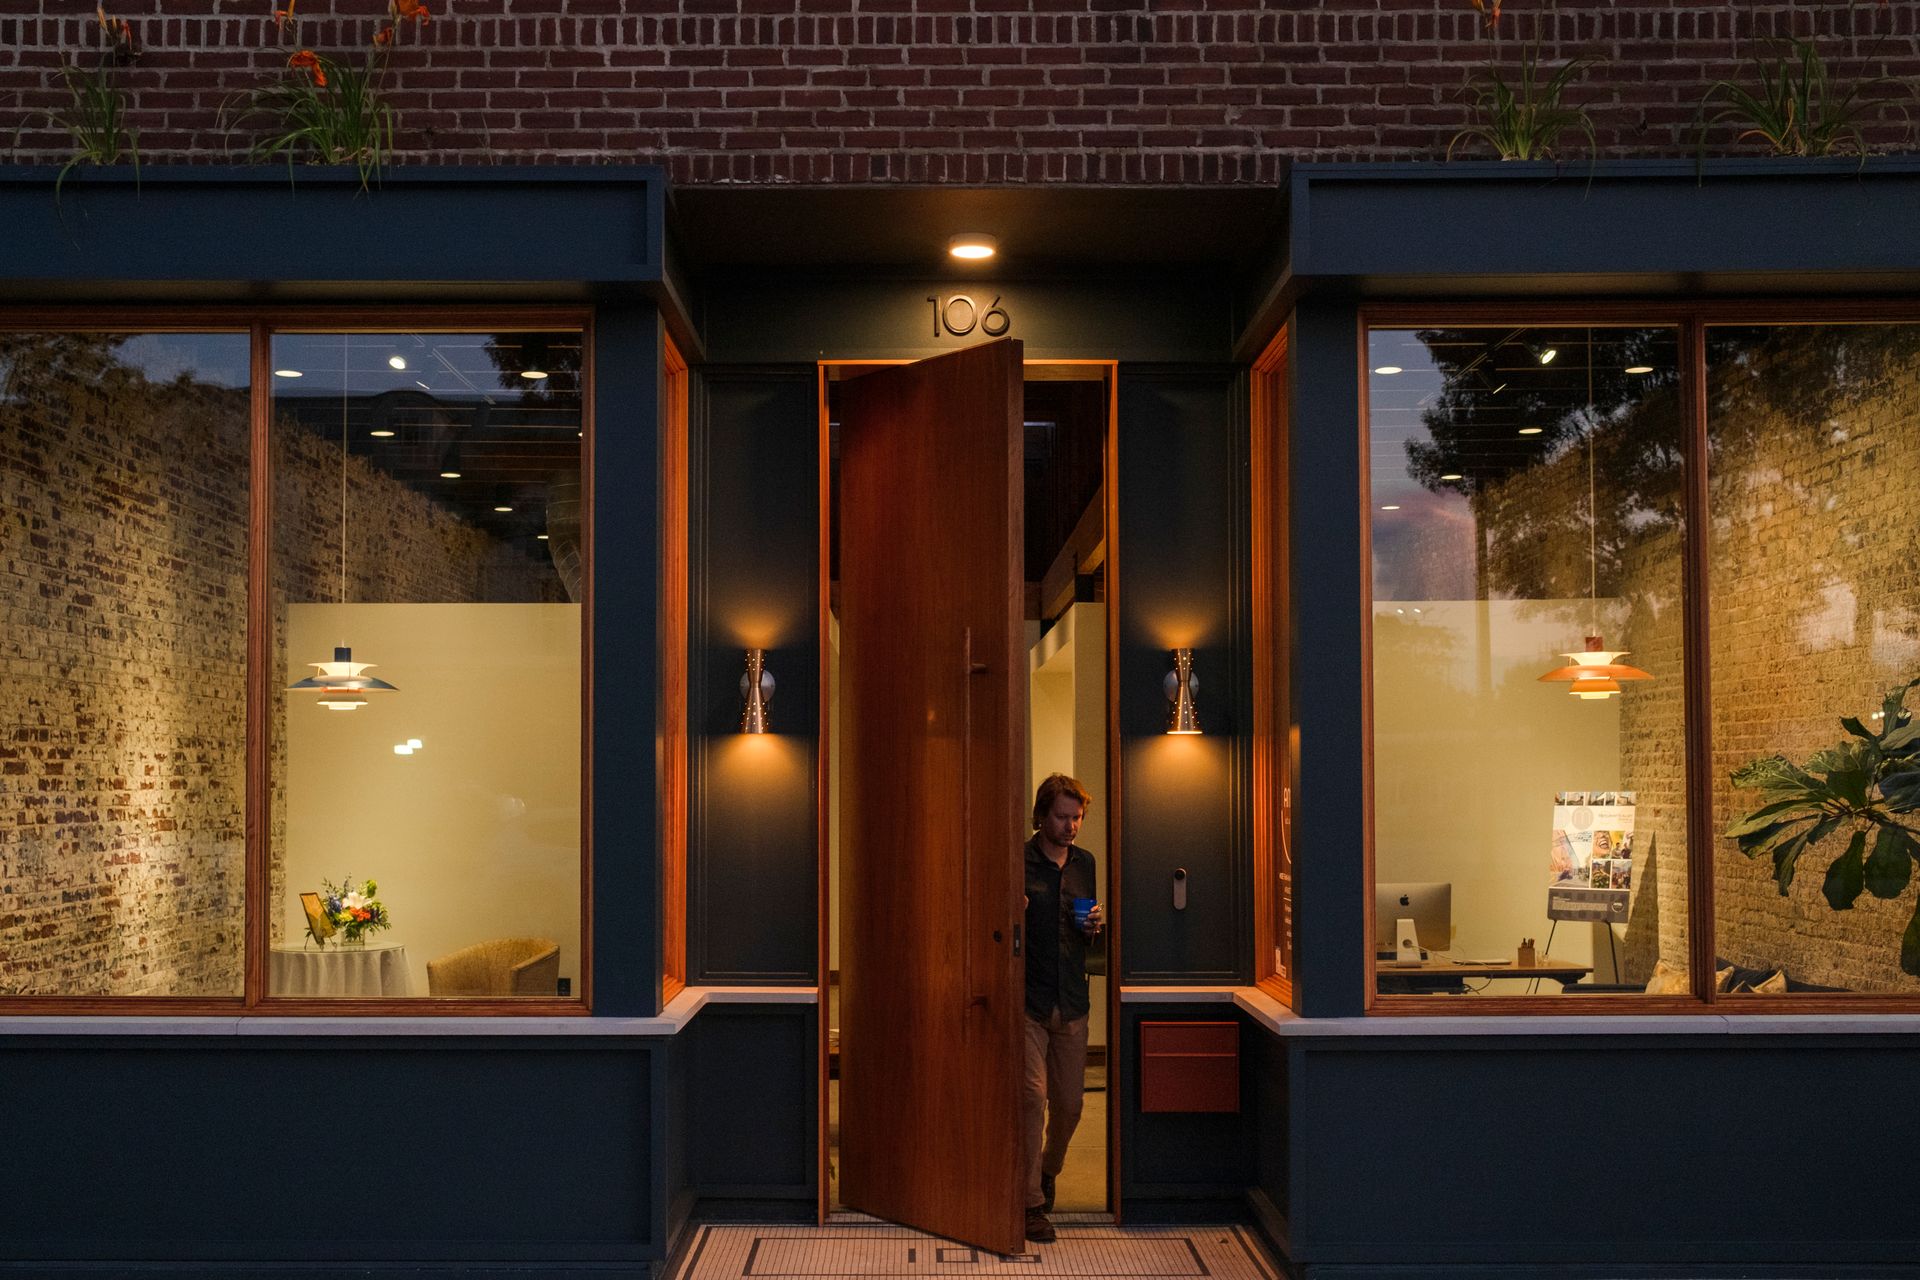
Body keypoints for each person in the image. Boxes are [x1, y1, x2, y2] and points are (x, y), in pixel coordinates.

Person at [1020, 773, 1103, 1245]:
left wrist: (1094, 924)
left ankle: (1048, 1171)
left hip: (1072, 998)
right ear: (1042, 816)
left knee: (1070, 1105)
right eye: (1062, 817)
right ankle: (1030, 1202)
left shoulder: (1085, 864)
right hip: (1027, 1000)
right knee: (1032, 1099)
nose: (1071, 826)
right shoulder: (1021, 859)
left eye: (1077, 818)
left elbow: (1087, 933)